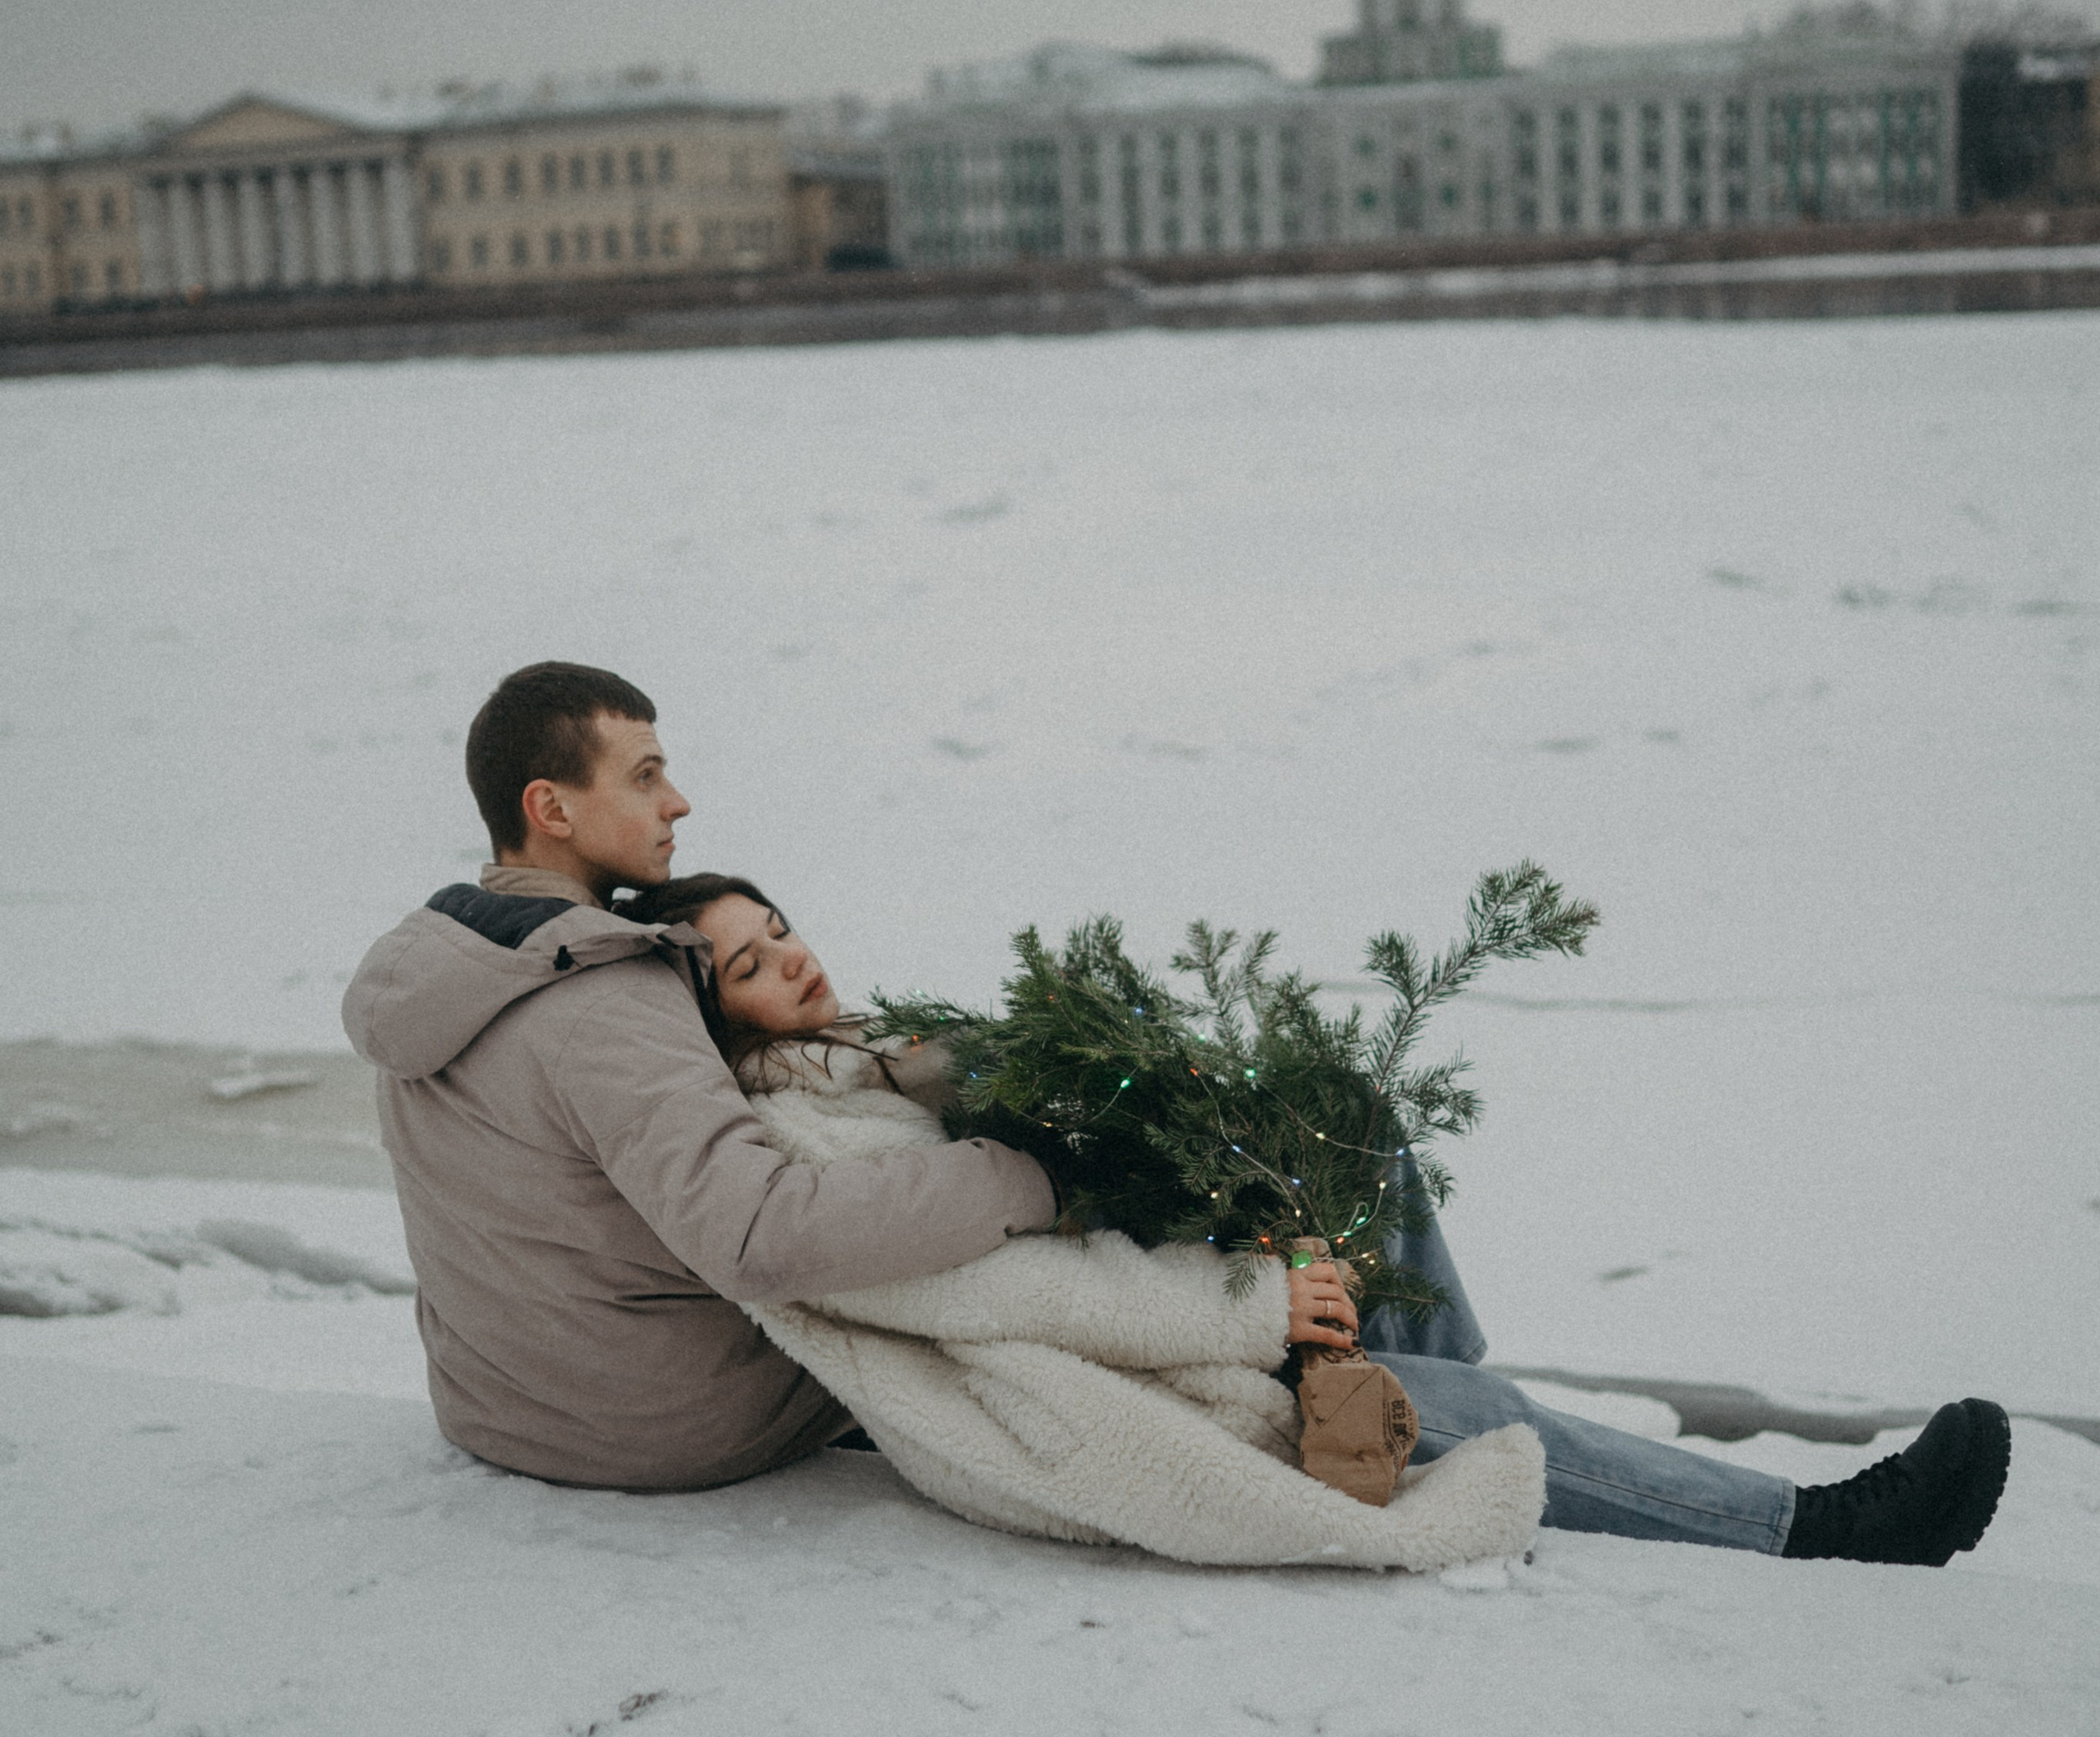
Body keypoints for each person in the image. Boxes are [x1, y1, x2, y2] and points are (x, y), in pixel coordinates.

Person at [343, 662, 2011, 1563]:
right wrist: (1028, 1168)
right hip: (686, 1416)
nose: (679, 796)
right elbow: (770, 1230)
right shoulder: (606, 990)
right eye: (644, 775)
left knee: (1326, 1135)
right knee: (1352, 1380)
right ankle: (1804, 1526)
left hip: (532, 1399)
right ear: (551, 805)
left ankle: (1377, 1383)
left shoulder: (460, 960)